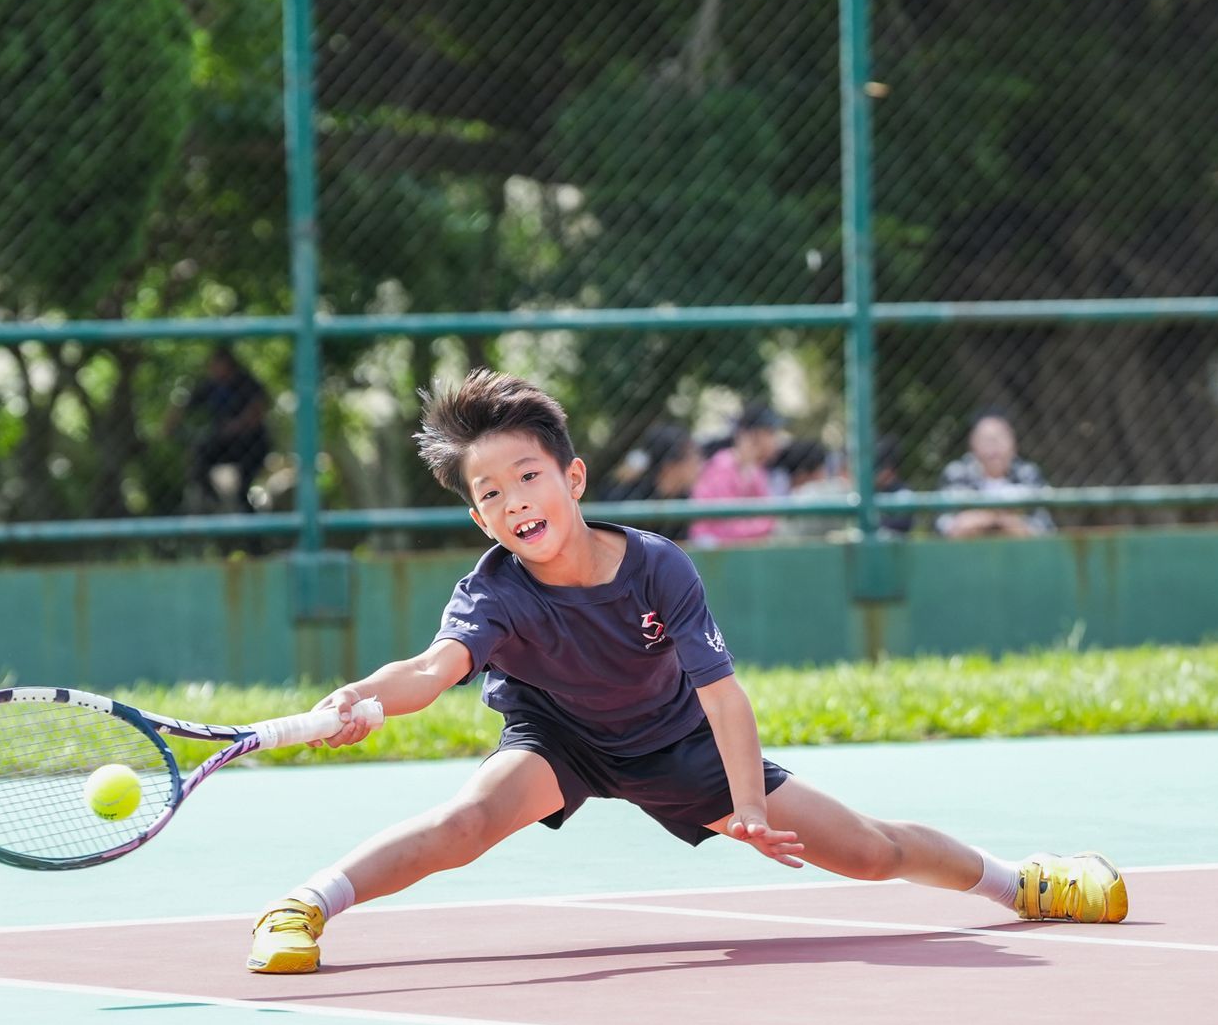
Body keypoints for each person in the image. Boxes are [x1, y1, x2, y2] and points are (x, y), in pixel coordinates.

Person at [245, 369, 1128, 975]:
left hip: (677, 744)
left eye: (528, 475)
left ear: (573, 478)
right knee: (467, 821)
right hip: (562, 741)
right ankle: (303, 906)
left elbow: (722, 696)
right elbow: (431, 670)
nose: (514, 501)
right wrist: (360, 698)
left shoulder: (658, 567)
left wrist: (749, 806)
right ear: (480, 518)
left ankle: (1024, 881)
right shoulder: (495, 593)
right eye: (491, 494)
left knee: (870, 851)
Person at [166, 345, 272, 513]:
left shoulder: (245, 382)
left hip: (251, 442)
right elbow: (185, 405)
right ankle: (213, 501)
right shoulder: (210, 386)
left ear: (227, 364)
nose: (212, 369)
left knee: (244, 488)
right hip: (223, 442)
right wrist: (172, 421)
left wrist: (238, 424)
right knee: (198, 460)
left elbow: (259, 406)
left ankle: (247, 515)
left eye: (216, 365)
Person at [937, 412, 1054, 539]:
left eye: (1000, 438)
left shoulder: (1027, 473)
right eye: (986, 439)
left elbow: (1044, 529)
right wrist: (1002, 517)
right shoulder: (957, 472)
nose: (994, 446)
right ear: (972, 445)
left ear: (1014, 444)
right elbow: (945, 527)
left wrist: (982, 518)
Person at [687, 402, 784, 547]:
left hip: (741, 546)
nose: (776, 440)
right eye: (771, 433)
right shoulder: (722, 466)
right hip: (712, 549)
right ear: (753, 435)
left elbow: (769, 516)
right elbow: (725, 529)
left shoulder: (755, 470)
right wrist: (763, 527)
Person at [600, 424, 704, 540]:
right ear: (670, 466)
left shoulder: (683, 498)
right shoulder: (632, 497)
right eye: (692, 457)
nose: (698, 464)